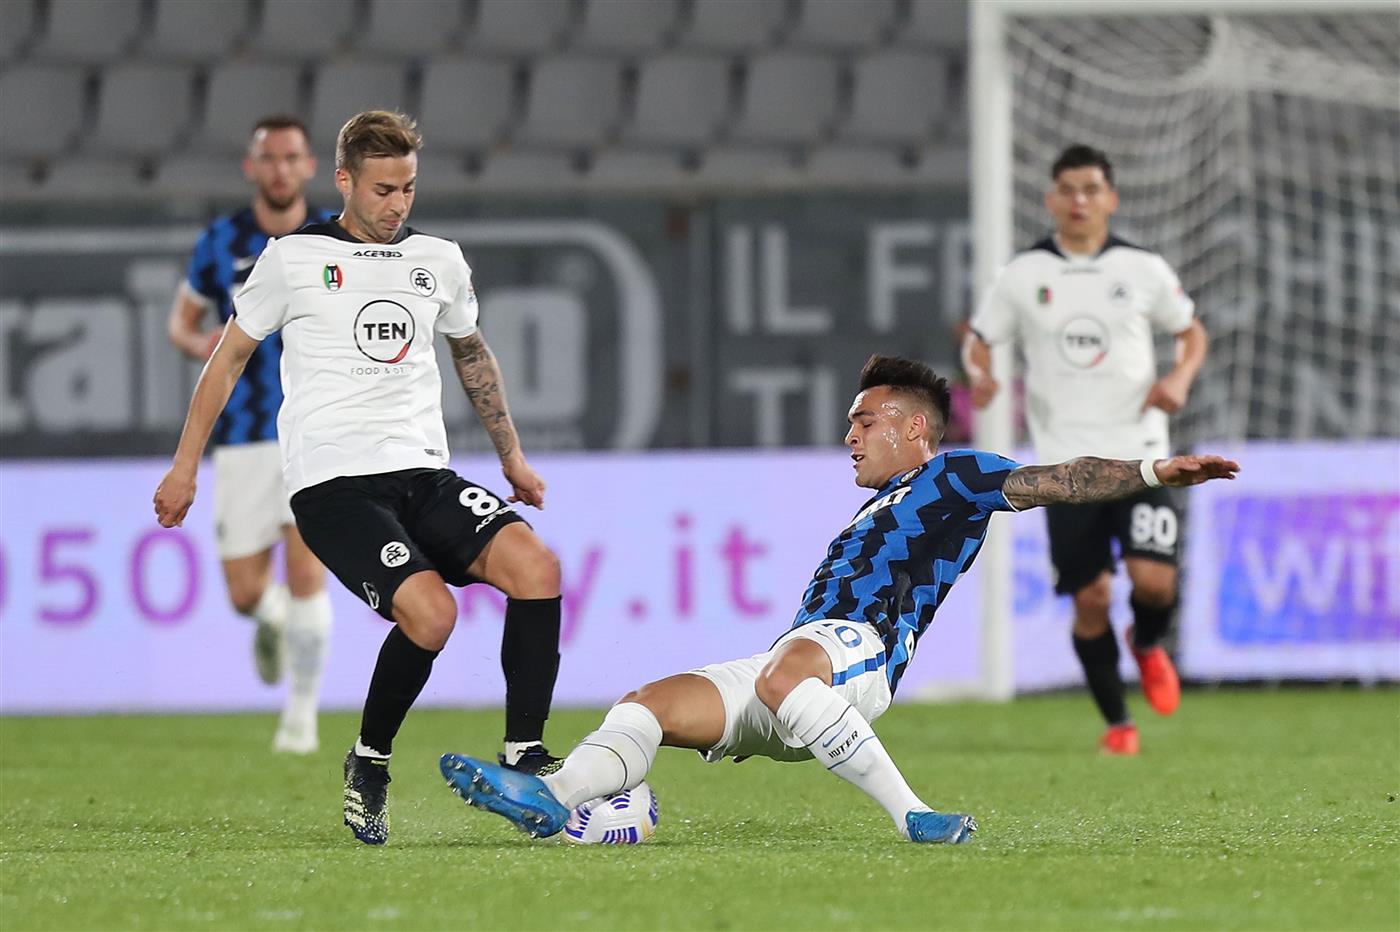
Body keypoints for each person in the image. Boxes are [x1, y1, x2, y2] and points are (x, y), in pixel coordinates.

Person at [439, 356, 1239, 844]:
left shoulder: (954, 475)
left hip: (861, 653)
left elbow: (1059, 480)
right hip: (803, 668)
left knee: (787, 671)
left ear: (915, 427)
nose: (850, 434)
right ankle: (552, 799)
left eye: (865, 420)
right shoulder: (871, 507)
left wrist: (1151, 473)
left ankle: (915, 815)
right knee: (646, 703)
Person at [154, 111, 565, 846]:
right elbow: (227, 359)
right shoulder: (292, 258)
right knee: (431, 615)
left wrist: (512, 457)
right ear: (344, 180)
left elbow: (472, 355)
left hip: (423, 473)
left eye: (407, 187)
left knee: (537, 567)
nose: (397, 204)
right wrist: (185, 467)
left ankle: (524, 753)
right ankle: (369, 761)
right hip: (333, 485)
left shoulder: (439, 258)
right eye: (382, 189)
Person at [962, 144, 1209, 755]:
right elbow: (979, 338)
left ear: (1111, 198)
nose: (1079, 201)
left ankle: (1148, 644)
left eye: (1091, 189)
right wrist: (982, 374)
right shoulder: (1023, 275)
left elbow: (1190, 331)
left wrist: (1177, 379)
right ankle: (1119, 725)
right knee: (1091, 597)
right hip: (1066, 467)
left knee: (1153, 583)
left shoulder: (1142, 268)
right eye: (1068, 189)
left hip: (1142, 452)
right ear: (1050, 199)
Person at [167, 115, 337, 755]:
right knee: (244, 592)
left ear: (310, 165)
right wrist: (199, 342)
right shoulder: (221, 242)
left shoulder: (332, 237)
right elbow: (181, 325)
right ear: (252, 167)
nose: (281, 169)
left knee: (306, 575)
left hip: (316, 431)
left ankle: (301, 717)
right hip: (241, 434)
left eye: (291, 157)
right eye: (269, 158)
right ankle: (266, 622)